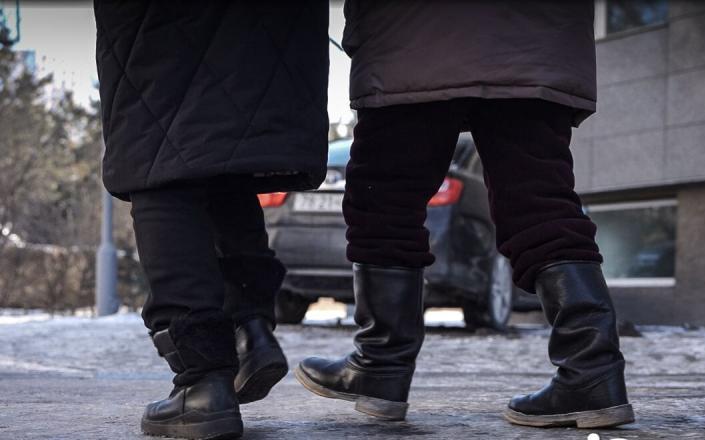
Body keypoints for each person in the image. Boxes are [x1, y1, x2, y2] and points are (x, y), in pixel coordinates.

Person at [295, 0, 635, 429]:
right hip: (536, 40)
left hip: (417, 37)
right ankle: (593, 372)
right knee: (539, 199)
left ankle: (380, 365)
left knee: (384, 197)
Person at [93, 2, 328, 438]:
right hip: (269, 28)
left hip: (161, 30)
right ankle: (249, 330)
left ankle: (202, 383)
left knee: (161, 167)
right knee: (224, 161)